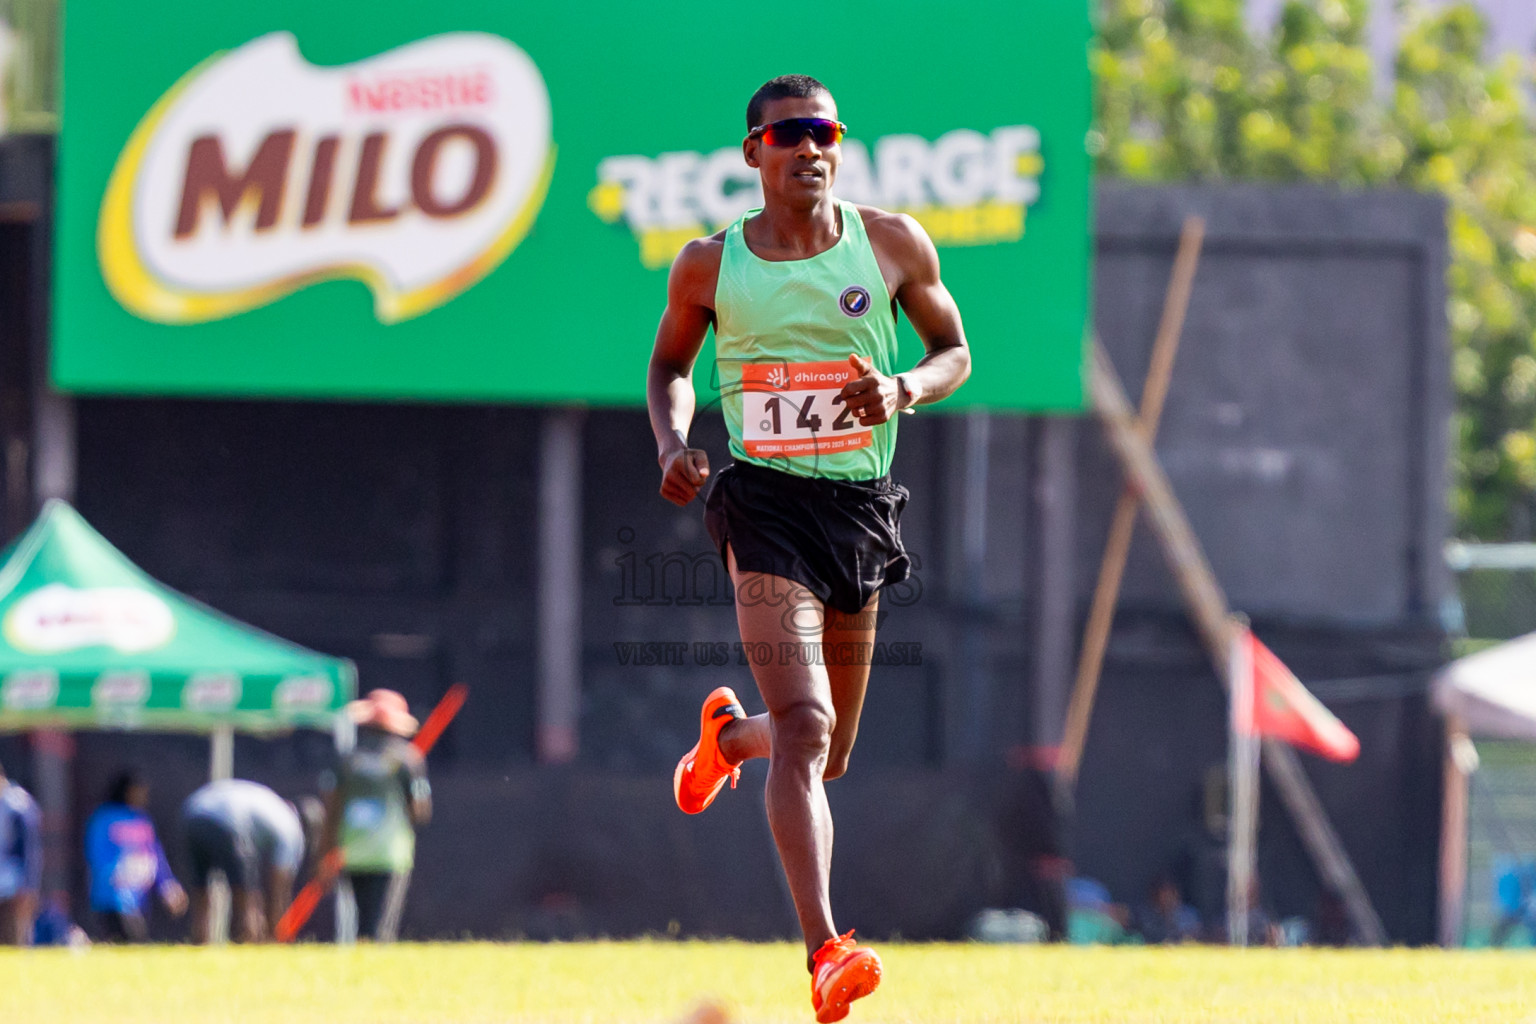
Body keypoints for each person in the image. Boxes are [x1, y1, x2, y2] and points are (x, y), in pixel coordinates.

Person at [648, 74, 970, 1022]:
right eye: (787, 134)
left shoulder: (896, 243)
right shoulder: (711, 267)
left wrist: (904, 388)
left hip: (861, 508)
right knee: (810, 726)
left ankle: (724, 741)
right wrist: (673, 444)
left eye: (823, 132)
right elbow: (669, 365)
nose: (809, 148)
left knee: (825, 754)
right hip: (765, 506)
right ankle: (828, 950)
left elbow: (956, 351)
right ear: (754, 153)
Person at [320, 688, 430, 943]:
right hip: (390, 852)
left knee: (362, 921)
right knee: (382, 923)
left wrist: (326, 852)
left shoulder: (346, 760)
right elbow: (420, 811)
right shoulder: (409, 759)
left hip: (353, 851)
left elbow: (331, 809)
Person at [181, 778, 317, 943]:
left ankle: (200, 941)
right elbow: (277, 890)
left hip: (192, 813)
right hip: (228, 822)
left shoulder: (274, 805)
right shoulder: (292, 829)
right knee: (247, 896)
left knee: (201, 890)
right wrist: (277, 936)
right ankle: (249, 941)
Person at [84, 771, 186, 942]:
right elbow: (96, 854)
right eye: (139, 791)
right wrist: (115, 875)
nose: (143, 797)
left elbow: (156, 857)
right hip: (111, 898)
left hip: (139, 898)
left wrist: (168, 885)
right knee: (127, 940)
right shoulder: (104, 818)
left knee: (136, 942)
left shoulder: (142, 820)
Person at [0, 759, 42, 945]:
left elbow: (30, 849)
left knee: (13, 940)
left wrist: (29, 886)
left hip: (12, 885)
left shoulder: (17, 803)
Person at [1131, 872, 1202, 945]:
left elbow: (1195, 937)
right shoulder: (1146, 916)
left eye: (1170, 893)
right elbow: (1141, 937)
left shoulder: (1188, 915)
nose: (1167, 898)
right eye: (1162, 894)